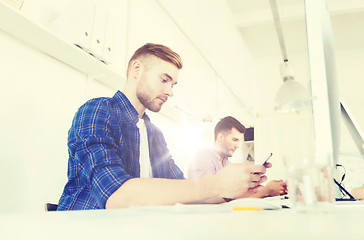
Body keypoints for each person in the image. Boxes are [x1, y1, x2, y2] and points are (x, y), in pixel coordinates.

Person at [57, 43, 269, 210]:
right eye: (164, 80)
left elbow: (183, 190)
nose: (170, 91)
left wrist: (236, 189)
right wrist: (216, 184)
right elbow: (117, 198)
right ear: (137, 70)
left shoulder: (154, 134)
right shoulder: (97, 111)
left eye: (173, 84)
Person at [188, 116, 287, 198]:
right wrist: (266, 191)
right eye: (235, 140)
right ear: (221, 137)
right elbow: (213, 200)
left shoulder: (227, 164)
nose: (238, 145)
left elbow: (234, 197)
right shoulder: (203, 157)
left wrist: (262, 191)